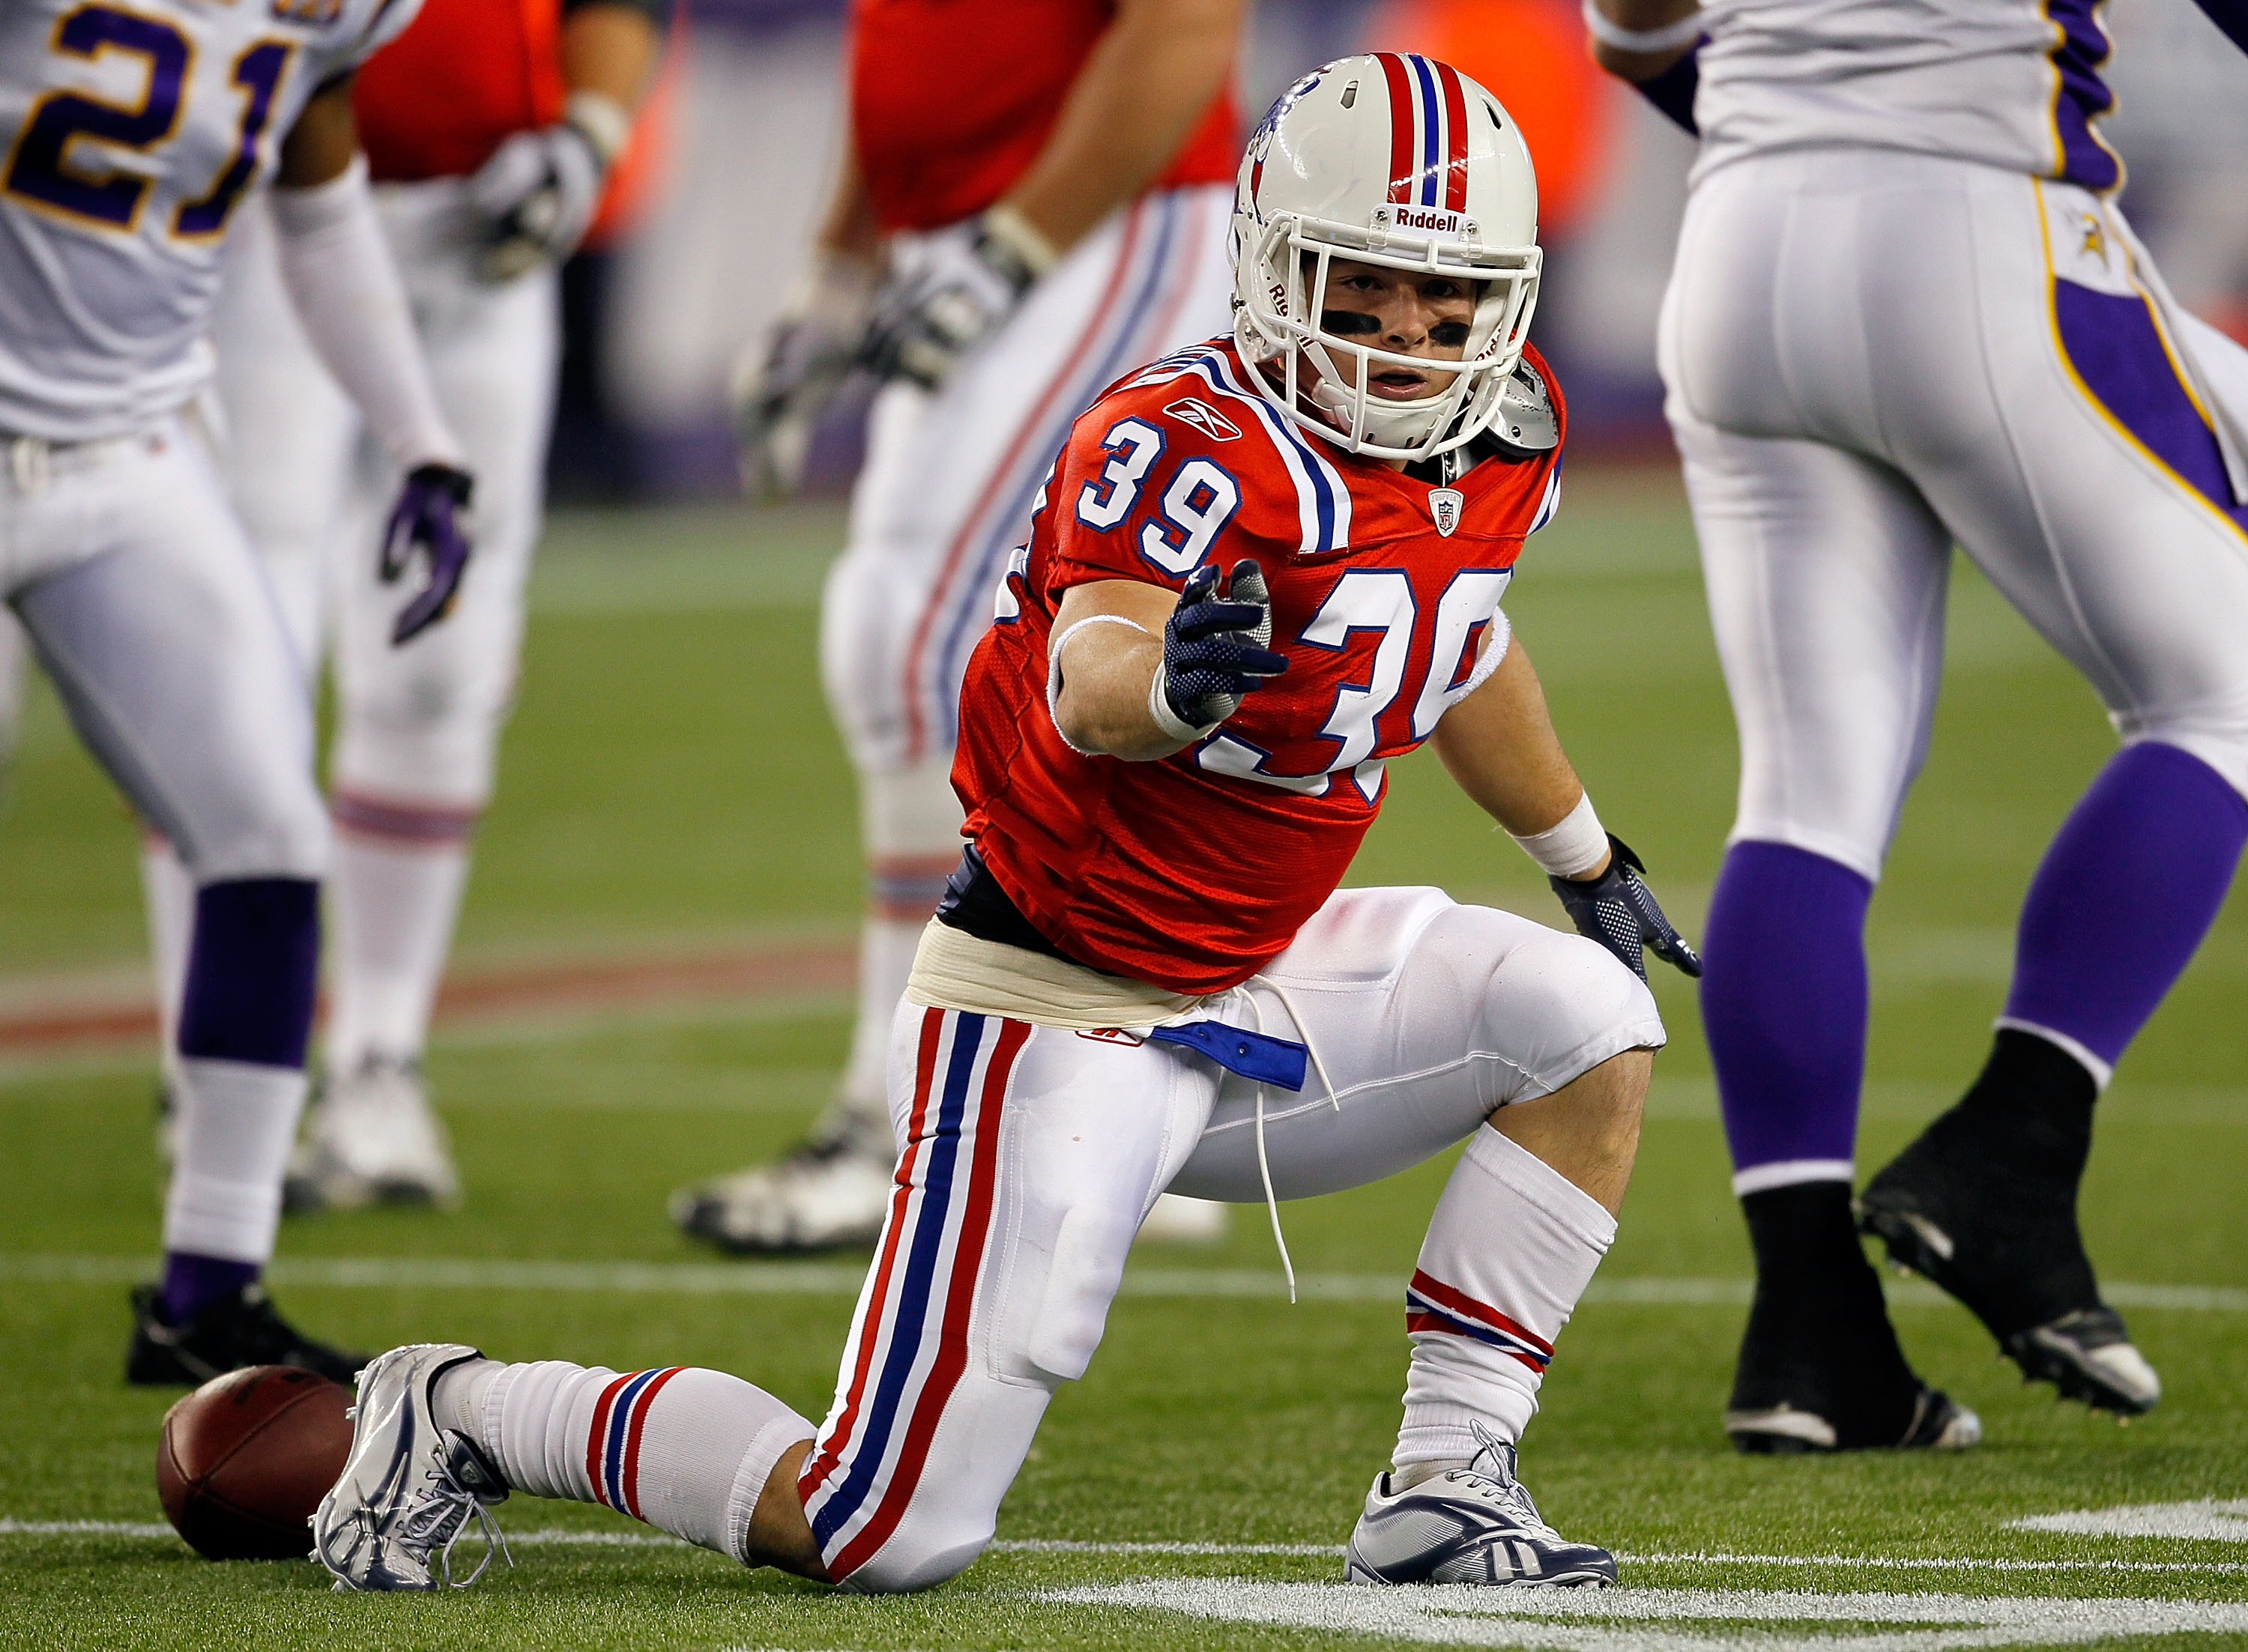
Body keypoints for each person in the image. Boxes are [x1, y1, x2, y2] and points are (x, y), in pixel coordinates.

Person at [312, 57, 1702, 1596]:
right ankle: (465, 1406)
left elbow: (1461, 646)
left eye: (1446, 306)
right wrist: (1175, 687)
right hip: (1062, 1001)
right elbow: (1093, 676)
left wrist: (1585, 854)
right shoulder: (1184, 436)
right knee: (879, 1523)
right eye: (1362, 292)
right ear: (1271, 263)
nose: (1403, 343)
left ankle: (1448, 1476)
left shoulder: (1502, 432)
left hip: (1261, 972)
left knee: (1589, 1018)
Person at [1588, 0, 2248, 1450]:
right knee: (2224, 696)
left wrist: (1807, 144)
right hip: (1975, 219)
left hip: (1742, 240)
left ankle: (1812, 1327)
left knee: (1808, 785)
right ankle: (2014, 1147)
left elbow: (1633, 27)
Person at [680, 0, 1249, 1253]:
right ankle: (1091, 1104)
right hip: (987, 230)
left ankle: (914, 1121)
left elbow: (1186, 25)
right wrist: (842, 263)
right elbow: (914, 54)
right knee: (926, 648)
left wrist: (1011, 250)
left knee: (930, 650)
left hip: (1101, 221)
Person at [0, 0, 477, 1379]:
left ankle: (209, 1287)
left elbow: (320, 208)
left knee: (267, 839)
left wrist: (420, 440)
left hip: (123, 452)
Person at [135, 0, 664, 1212]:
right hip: (270, 224)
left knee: (443, 660)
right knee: (235, 645)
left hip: (479, 236)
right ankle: (205, 1057)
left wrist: (585, 136)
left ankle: (379, 1059)